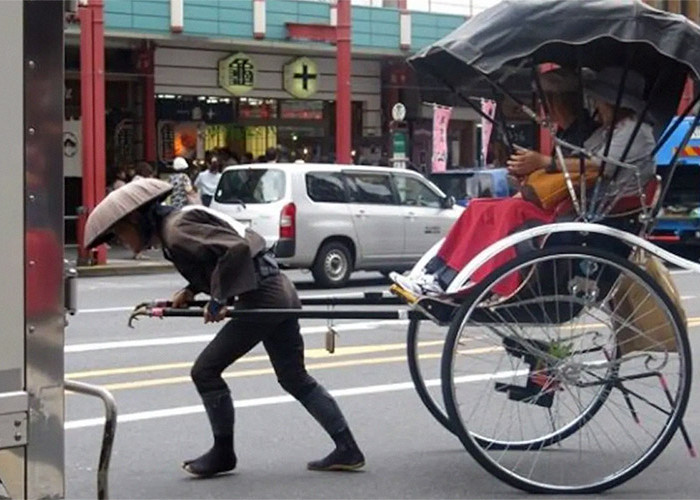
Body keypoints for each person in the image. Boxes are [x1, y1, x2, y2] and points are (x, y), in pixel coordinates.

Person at [82, 179, 366, 477]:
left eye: (120, 233)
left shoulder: (177, 230)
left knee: (204, 371)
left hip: (264, 296)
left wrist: (217, 299)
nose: (121, 241)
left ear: (135, 219)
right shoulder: (176, 226)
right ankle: (347, 448)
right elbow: (215, 257)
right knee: (294, 377)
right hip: (278, 289)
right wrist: (192, 290)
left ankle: (223, 453)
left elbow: (237, 249)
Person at [392, 66, 653, 298]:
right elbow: (578, 163)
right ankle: (439, 272)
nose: (596, 104)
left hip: (594, 211)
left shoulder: (636, 132)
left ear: (614, 101)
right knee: (480, 207)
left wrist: (544, 163)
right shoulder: (606, 132)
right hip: (575, 202)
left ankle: (484, 282)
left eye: (601, 100)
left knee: (511, 211)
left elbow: (600, 166)